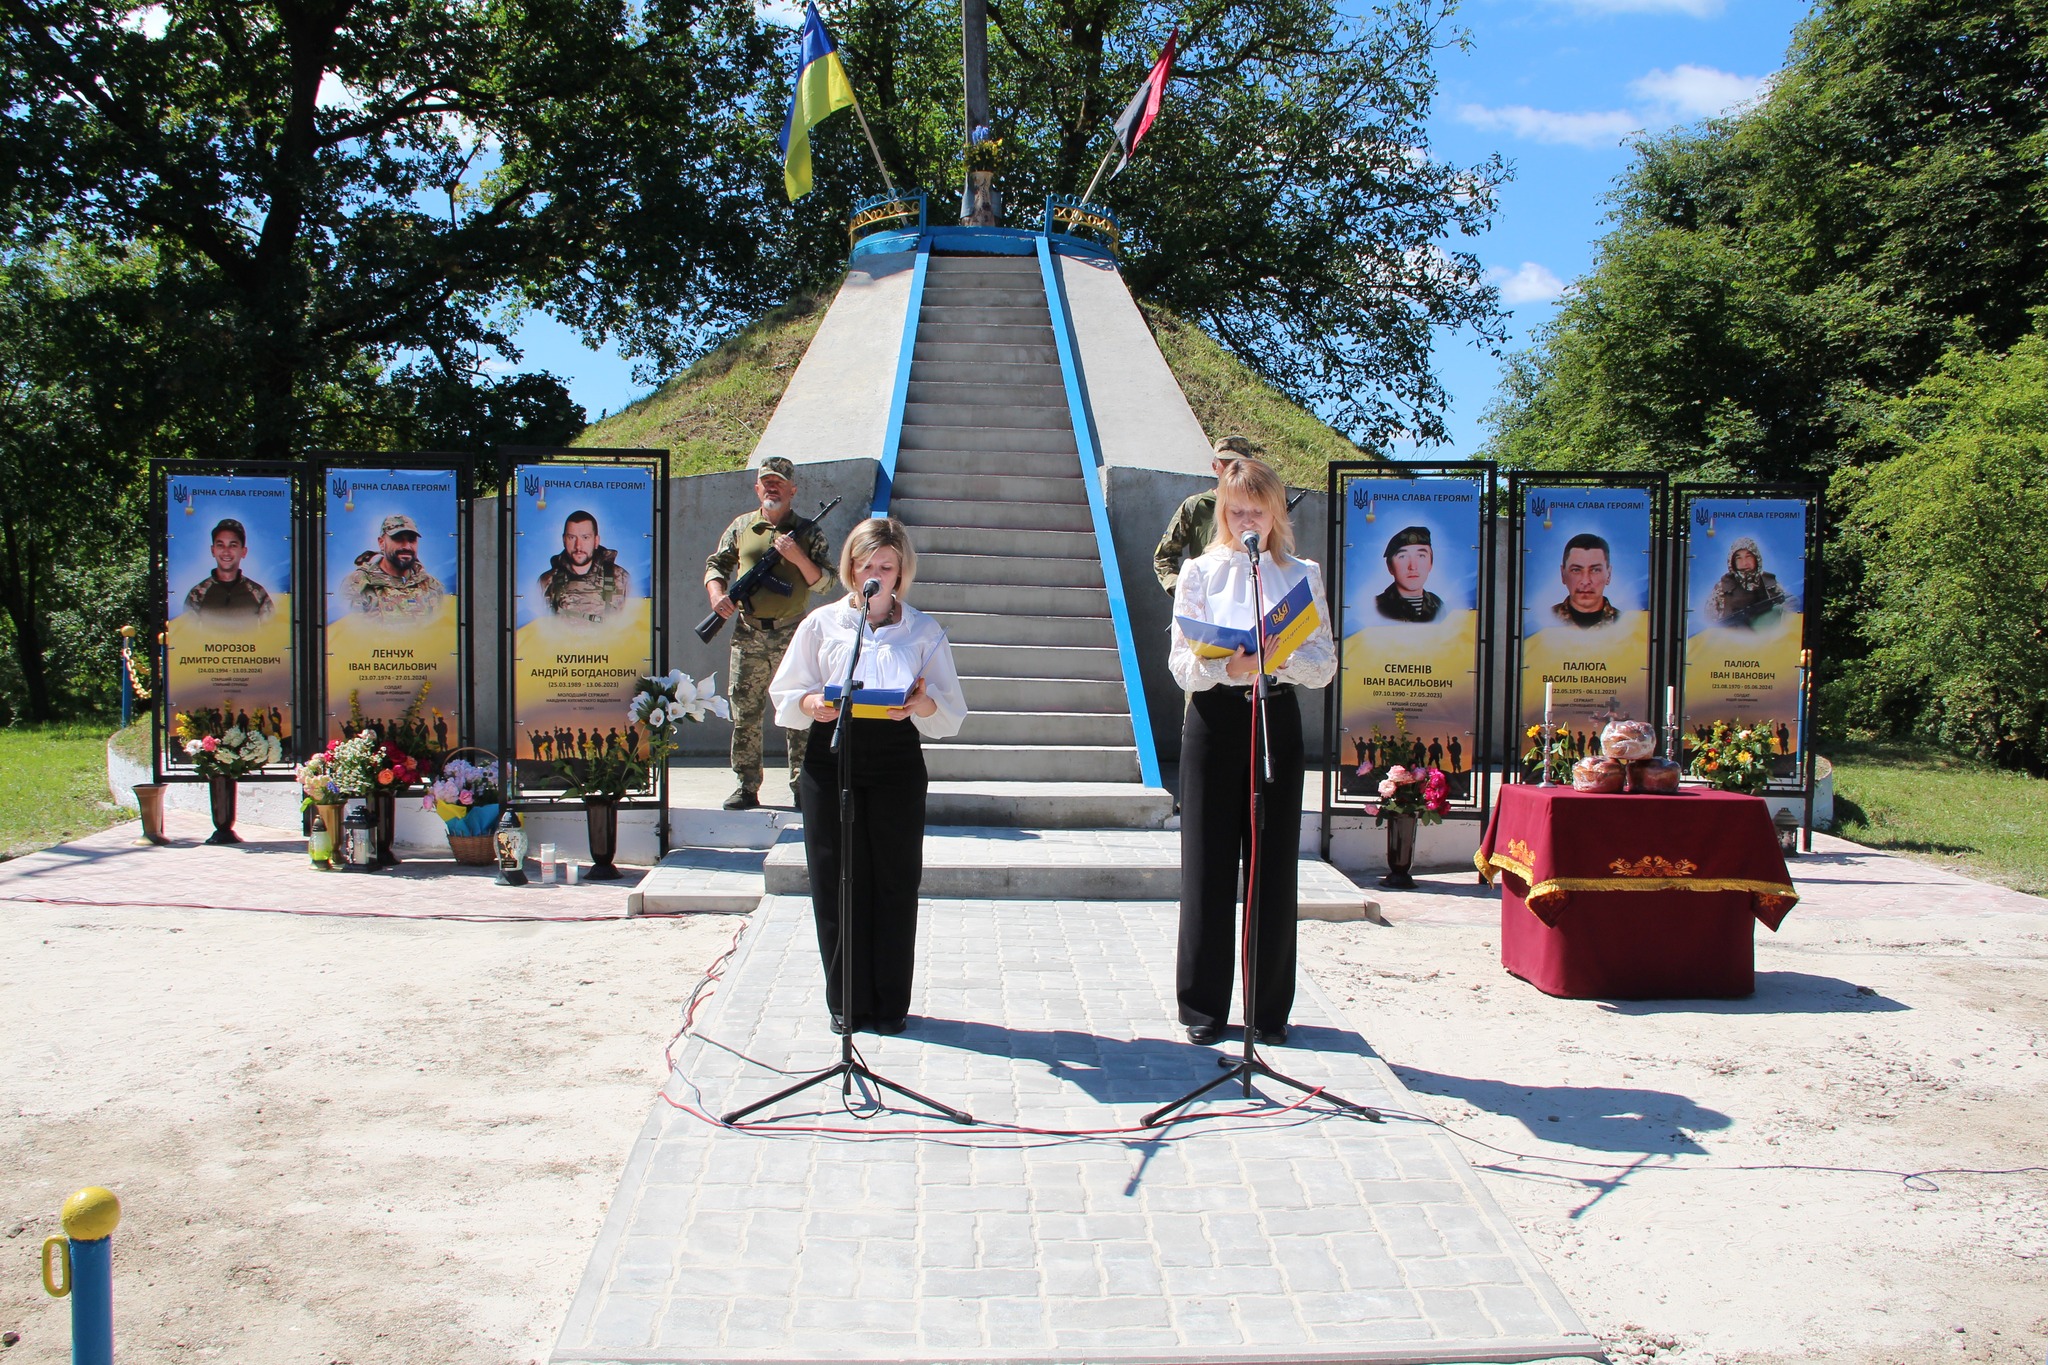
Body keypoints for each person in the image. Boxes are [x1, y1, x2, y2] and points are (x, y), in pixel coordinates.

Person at [770, 518, 966, 1035]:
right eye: (865, 565)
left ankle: (889, 1003)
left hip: (896, 758)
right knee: (837, 877)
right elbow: (787, 693)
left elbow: (950, 710)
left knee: (895, 879)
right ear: (849, 568)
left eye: (885, 566)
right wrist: (812, 702)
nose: (874, 575)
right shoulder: (823, 623)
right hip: (832, 756)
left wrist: (922, 703)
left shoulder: (923, 630)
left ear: (901, 571)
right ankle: (847, 1002)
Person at [1169, 458, 1337, 1047]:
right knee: (1209, 865)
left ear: (1274, 515)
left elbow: (1325, 664)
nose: (1247, 520)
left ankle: (1268, 1012)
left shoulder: (1300, 573)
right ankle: (1204, 1009)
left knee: (1270, 865)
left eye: (1257, 510)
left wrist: (1281, 658)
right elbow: (1181, 664)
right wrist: (1225, 665)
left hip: (1275, 713)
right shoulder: (1199, 572)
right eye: (1236, 509)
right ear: (1223, 512)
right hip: (1215, 719)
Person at [705, 456, 837, 811]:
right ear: (757, 488)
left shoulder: (808, 532)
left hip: (793, 633)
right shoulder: (742, 526)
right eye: (766, 481)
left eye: (779, 482)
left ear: (792, 490)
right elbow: (716, 564)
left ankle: (802, 785)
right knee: (745, 713)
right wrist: (718, 595)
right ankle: (746, 785)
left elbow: (825, 582)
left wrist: (796, 556)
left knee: (799, 710)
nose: (772, 487)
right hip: (748, 633)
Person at [1152, 436, 1256, 595]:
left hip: (1249, 599)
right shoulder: (1197, 506)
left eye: (1239, 464)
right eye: (1226, 463)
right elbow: (1164, 557)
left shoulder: (1260, 510)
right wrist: (1183, 590)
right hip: (1206, 601)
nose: (1232, 470)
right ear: (1215, 467)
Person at [342, 514, 445, 615]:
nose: (407, 547)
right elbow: (349, 627)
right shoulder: (359, 584)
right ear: (382, 543)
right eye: (398, 539)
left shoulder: (431, 586)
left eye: (411, 540)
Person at [538, 510, 632, 620]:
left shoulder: (621, 579)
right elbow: (536, 627)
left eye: (585, 537)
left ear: (596, 541)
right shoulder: (546, 582)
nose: (578, 546)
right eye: (572, 537)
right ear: (564, 540)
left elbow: (635, 625)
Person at [184, 519, 274, 622]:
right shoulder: (197, 594)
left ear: (243, 552)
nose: (226, 551)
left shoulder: (258, 594)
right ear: (213, 550)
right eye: (220, 545)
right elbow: (186, 634)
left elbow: (271, 632)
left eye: (233, 545)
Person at [1706, 536, 1792, 627]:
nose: (1744, 563)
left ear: (1756, 558)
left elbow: (1790, 611)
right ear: (1732, 562)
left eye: (1748, 557)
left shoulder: (1771, 585)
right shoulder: (1721, 588)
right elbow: (1709, 624)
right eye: (1739, 558)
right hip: (1731, 639)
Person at [1373, 526, 1443, 622]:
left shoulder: (1439, 605)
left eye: (1421, 556)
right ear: (1390, 566)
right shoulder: (1375, 608)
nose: (1413, 566)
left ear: (1431, 563)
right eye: (1403, 556)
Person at [1552, 533, 1619, 628]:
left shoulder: (1626, 625)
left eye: (1595, 570)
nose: (1585, 581)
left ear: (1608, 575)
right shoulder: (1544, 621)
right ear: (1563, 574)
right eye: (1576, 570)